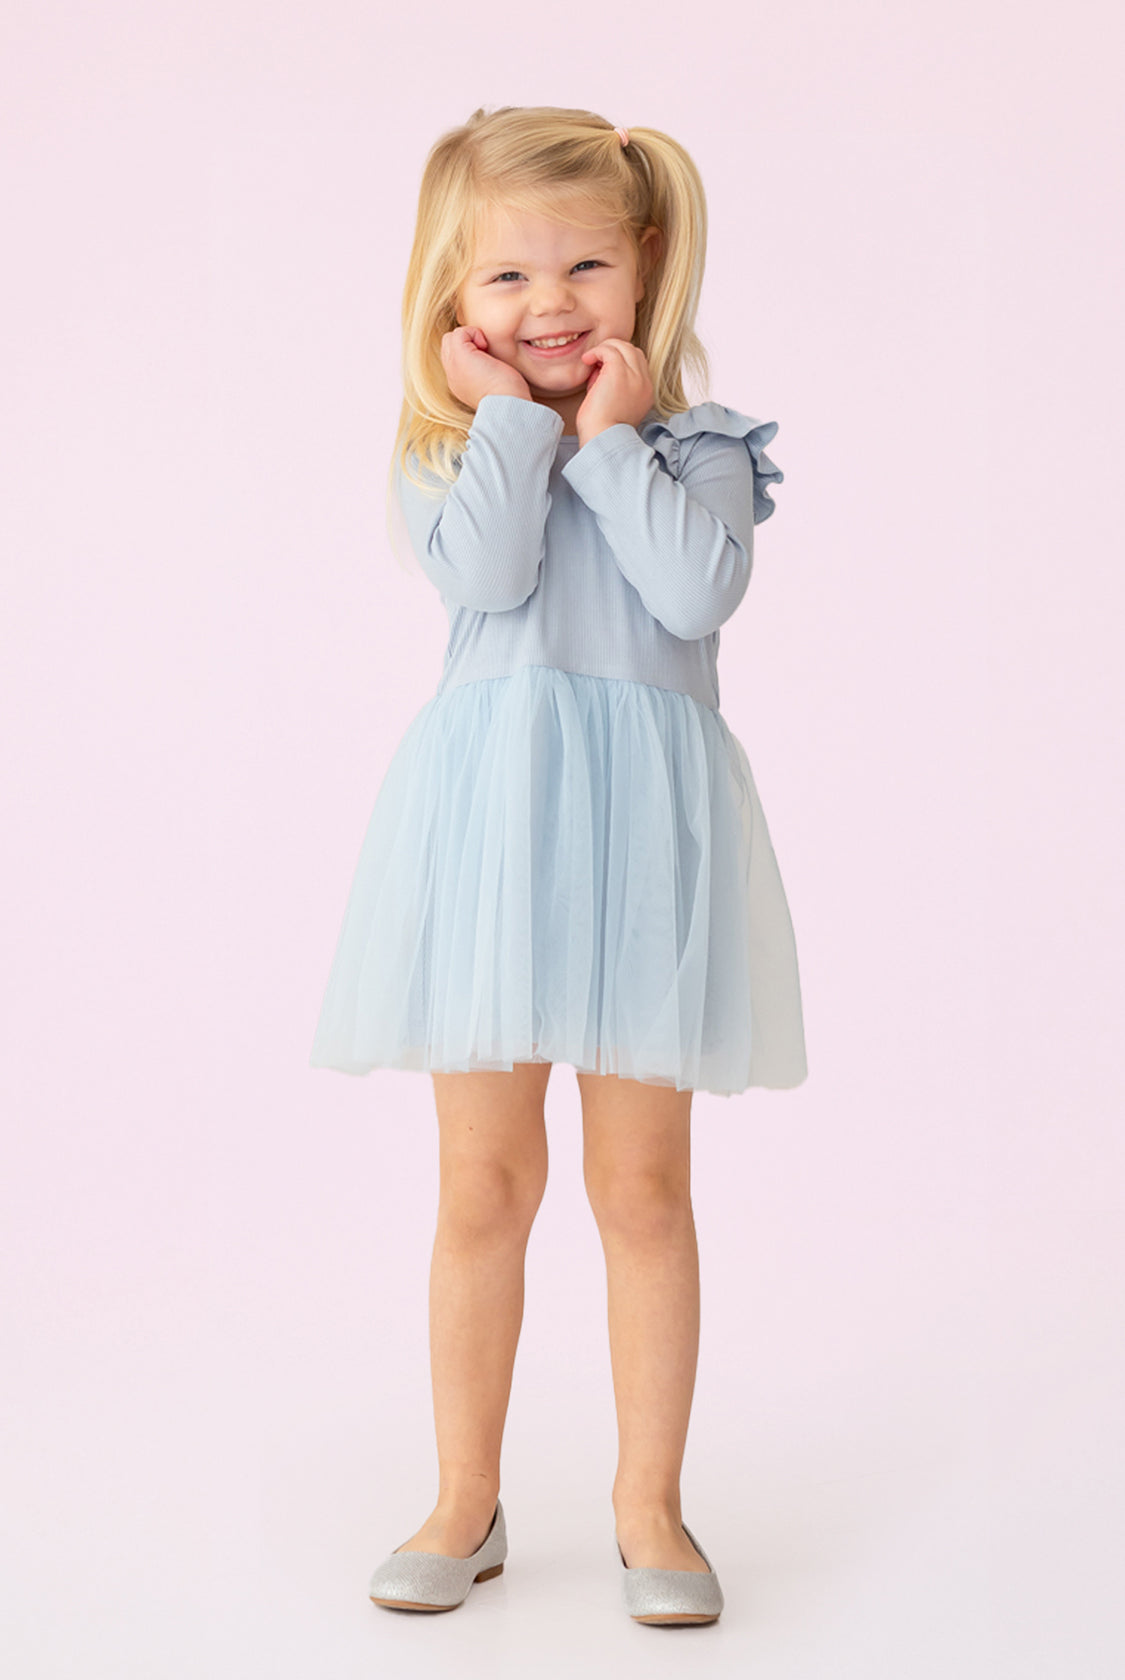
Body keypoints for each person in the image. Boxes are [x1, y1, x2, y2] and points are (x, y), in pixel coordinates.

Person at [309, 105, 808, 1624]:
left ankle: (649, 1506)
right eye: (507, 279)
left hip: (644, 840)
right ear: (451, 302)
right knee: (483, 1183)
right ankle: (465, 1498)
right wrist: (522, 428)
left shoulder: (701, 453)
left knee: (642, 1187)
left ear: (645, 259)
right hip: (493, 832)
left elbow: (691, 593)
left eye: (583, 265)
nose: (548, 305)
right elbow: (486, 572)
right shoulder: (447, 454)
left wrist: (604, 438)